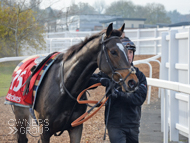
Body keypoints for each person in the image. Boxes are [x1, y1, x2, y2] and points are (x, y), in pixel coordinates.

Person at [88, 37, 147, 143]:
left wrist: (119, 94)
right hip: (115, 125)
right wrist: (102, 80)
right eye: (126, 52)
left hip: (133, 125)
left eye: (131, 52)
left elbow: (139, 99)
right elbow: (89, 80)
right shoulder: (111, 74)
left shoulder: (139, 76)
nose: (129, 56)